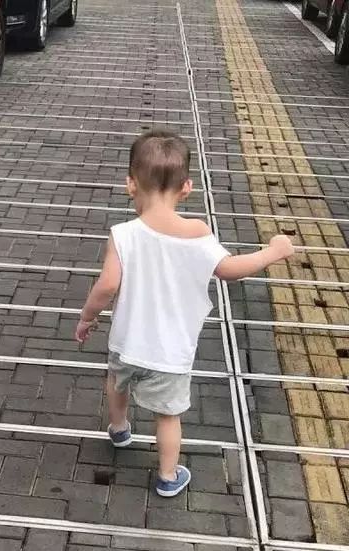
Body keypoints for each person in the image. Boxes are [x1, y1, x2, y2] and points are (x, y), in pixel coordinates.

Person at [75, 130, 294, 497]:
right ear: (187, 187)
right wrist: (274, 251)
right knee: (168, 416)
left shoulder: (122, 233)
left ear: (131, 184)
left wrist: (87, 317)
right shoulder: (197, 234)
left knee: (116, 382)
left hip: (126, 343)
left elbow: (107, 285)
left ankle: (119, 428)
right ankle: (167, 475)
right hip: (170, 353)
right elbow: (230, 269)